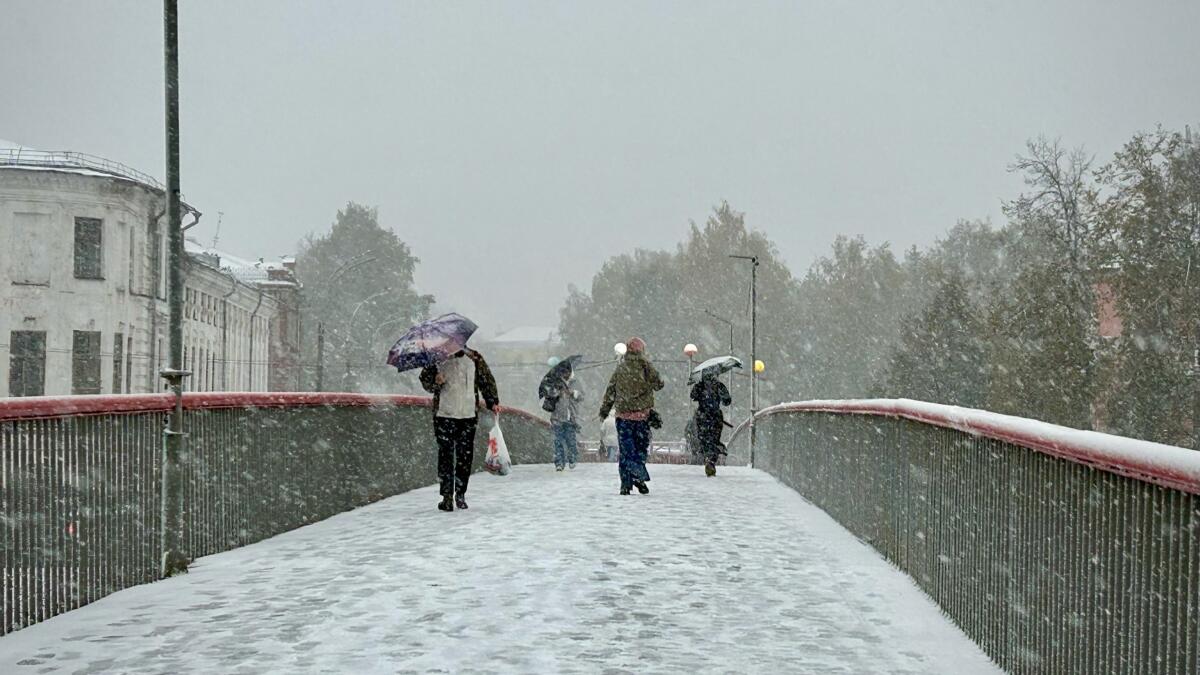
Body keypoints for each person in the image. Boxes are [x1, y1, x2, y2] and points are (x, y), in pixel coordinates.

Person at [419, 348, 500, 512]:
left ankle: (460, 494)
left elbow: (486, 381)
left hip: (468, 416)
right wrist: (435, 381)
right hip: (444, 415)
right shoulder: (437, 359)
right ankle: (447, 497)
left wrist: (492, 402)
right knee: (446, 457)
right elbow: (425, 380)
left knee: (465, 456)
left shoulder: (474, 358)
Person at [598, 337, 664, 495]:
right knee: (640, 449)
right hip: (642, 417)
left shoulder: (620, 368)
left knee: (626, 451)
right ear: (642, 350)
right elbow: (659, 384)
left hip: (623, 417)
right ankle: (638, 475)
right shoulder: (646, 366)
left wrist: (604, 411)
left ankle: (625, 485)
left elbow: (610, 391)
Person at [690, 370, 732, 476]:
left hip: (702, 417)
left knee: (704, 439)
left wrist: (699, 388)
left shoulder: (699, 385)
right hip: (715, 417)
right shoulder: (719, 385)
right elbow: (727, 401)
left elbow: (693, 396)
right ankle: (711, 460)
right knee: (714, 439)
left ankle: (708, 458)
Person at [547, 365, 583, 470]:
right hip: (557, 417)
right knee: (558, 442)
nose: (565, 375)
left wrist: (574, 393)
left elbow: (582, 396)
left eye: (567, 373)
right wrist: (557, 392)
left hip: (571, 418)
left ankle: (572, 459)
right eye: (563, 373)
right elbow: (549, 396)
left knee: (571, 441)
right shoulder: (556, 383)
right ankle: (559, 463)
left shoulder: (576, 383)